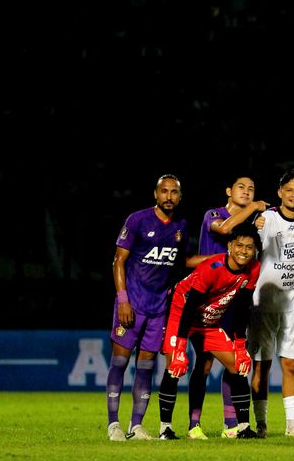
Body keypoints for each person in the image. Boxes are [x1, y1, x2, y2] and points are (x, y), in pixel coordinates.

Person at [106, 174, 206, 441]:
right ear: (155, 194)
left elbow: (182, 261)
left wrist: (220, 258)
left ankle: (136, 426)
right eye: (164, 191)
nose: (169, 196)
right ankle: (113, 424)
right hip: (132, 304)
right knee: (120, 360)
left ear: (180, 197)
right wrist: (123, 299)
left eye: (174, 192)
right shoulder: (137, 220)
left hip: (158, 307)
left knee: (147, 365)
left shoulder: (181, 226)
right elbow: (119, 261)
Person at [157, 223, 261, 440]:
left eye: (249, 247)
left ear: (255, 250)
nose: (244, 251)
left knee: (237, 365)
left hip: (209, 320)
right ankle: (165, 428)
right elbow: (189, 306)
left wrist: (240, 346)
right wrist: (180, 348)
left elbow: (243, 308)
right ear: (230, 246)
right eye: (239, 245)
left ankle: (242, 428)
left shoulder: (253, 269)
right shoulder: (211, 268)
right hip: (182, 314)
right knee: (175, 367)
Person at [187, 176, 268, 439]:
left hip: (234, 300)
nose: (247, 192)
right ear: (228, 191)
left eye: (252, 189)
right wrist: (254, 206)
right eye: (241, 188)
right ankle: (194, 424)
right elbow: (223, 230)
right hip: (206, 300)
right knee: (205, 363)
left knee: (233, 362)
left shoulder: (250, 226)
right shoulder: (214, 214)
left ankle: (230, 424)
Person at [247, 169, 294, 439]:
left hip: (293, 304)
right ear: (280, 193)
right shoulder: (266, 219)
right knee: (262, 365)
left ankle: (293, 425)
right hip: (263, 304)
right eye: (289, 190)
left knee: (291, 365)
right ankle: (261, 424)